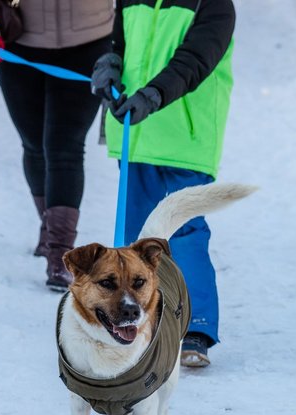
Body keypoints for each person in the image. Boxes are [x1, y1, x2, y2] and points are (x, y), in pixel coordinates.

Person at [89, 0, 236, 368]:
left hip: (185, 138)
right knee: (135, 240)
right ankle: (133, 324)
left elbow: (196, 60)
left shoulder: (213, 4)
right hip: (135, 134)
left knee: (184, 231)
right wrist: (108, 65)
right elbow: (116, 44)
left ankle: (196, 328)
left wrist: (153, 95)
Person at [0, 0, 114, 291]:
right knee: (34, 145)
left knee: (65, 148)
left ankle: (60, 254)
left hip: (90, 42)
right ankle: (49, 223)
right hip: (17, 42)